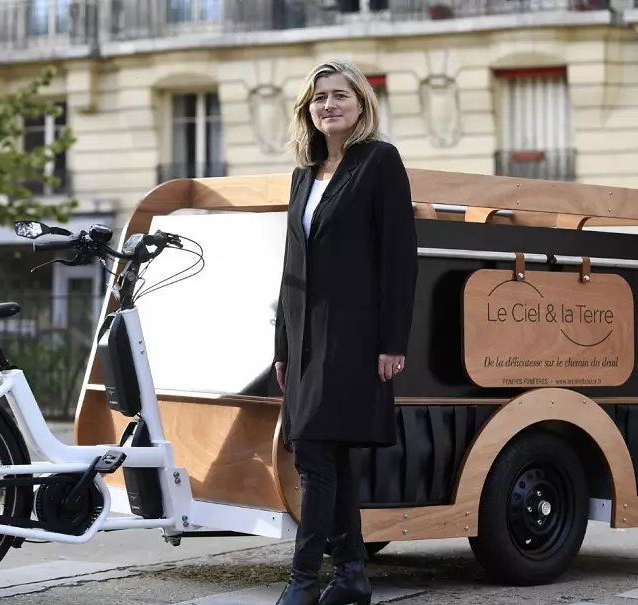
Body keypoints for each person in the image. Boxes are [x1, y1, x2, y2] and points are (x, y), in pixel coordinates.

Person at [272, 60, 418, 605]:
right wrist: (282, 346)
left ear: (361, 104)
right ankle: (352, 574)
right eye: (318, 98)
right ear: (307, 111)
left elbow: (399, 258)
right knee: (329, 459)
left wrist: (393, 342)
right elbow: (289, 268)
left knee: (313, 455)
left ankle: (303, 580)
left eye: (339, 95)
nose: (328, 105)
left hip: (355, 337)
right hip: (306, 340)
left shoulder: (380, 161)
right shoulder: (303, 174)